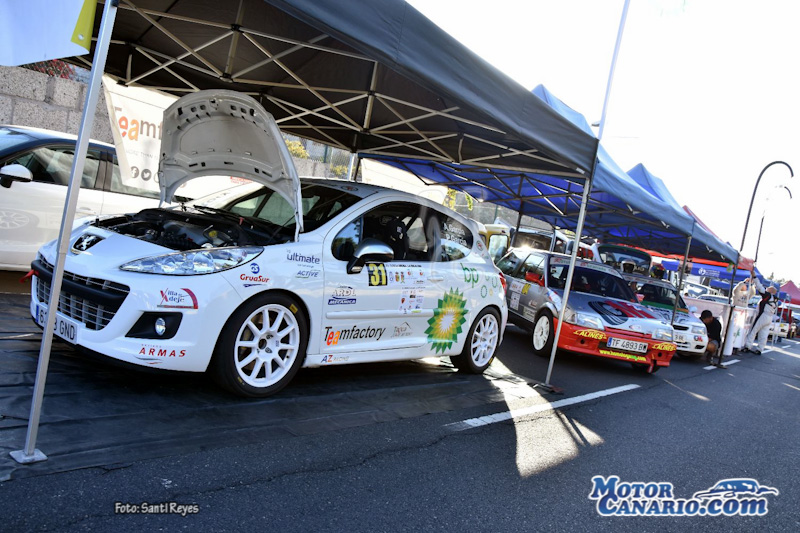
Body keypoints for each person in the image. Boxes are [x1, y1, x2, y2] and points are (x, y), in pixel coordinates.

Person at [743, 274, 778, 355]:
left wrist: (754, 278)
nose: (766, 289)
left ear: (771, 291)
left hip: (763, 315)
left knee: (753, 330)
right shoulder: (775, 300)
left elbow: (760, 287)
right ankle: (760, 349)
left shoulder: (768, 295)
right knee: (764, 334)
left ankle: (748, 346)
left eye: (768, 288)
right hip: (769, 317)